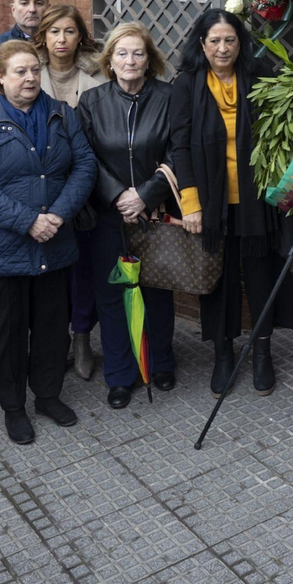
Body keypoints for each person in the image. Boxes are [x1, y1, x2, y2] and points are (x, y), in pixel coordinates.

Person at [0, 40, 96, 444]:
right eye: (20, 71)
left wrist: (58, 215)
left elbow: (84, 166)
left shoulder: (61, 113)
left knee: (53, 328)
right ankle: (13, 407)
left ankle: (48, 395)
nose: (30, 77)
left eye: (35, 69)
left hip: (55, 240)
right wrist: (29, 221)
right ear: (0, 77)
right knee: (8, 333)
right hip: (2, 249)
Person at [169, 9, 293, 398]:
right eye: (214, 41)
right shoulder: (187, 84)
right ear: (202, 45)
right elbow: (179, 146)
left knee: (260, 277)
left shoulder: (261, 76)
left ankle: (262, 352)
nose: (222, 48)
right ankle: (223, 353)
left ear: (240, 43)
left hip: (257, 200)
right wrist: (190, 204)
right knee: (219, 283)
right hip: (212, 204)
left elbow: (283, 132)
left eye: (229, 40)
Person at [77, 23, 178, 408]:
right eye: (122, 53)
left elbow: (177, 151)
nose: (130, 60)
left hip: (155, 213)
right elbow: (86, 156)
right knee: (113, 293)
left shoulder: (169, 98)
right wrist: (120, 195)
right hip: (110, 216)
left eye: (138, 53)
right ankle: (120, 375)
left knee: (156, 289)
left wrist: (147, 195)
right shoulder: (92, 102)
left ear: (149, 59)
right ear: (110, 61)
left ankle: (160, 362)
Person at [34, 5, 105, 381]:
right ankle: (53, 338)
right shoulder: (30, 75)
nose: (61, 40)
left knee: (83, 269)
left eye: (69, 32)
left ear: (81, 37)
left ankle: (82, 337)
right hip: (41, 192)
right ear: (43, 37)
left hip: (87, 191)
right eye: (54, 32)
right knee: (49, 270)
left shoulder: (97, 77)